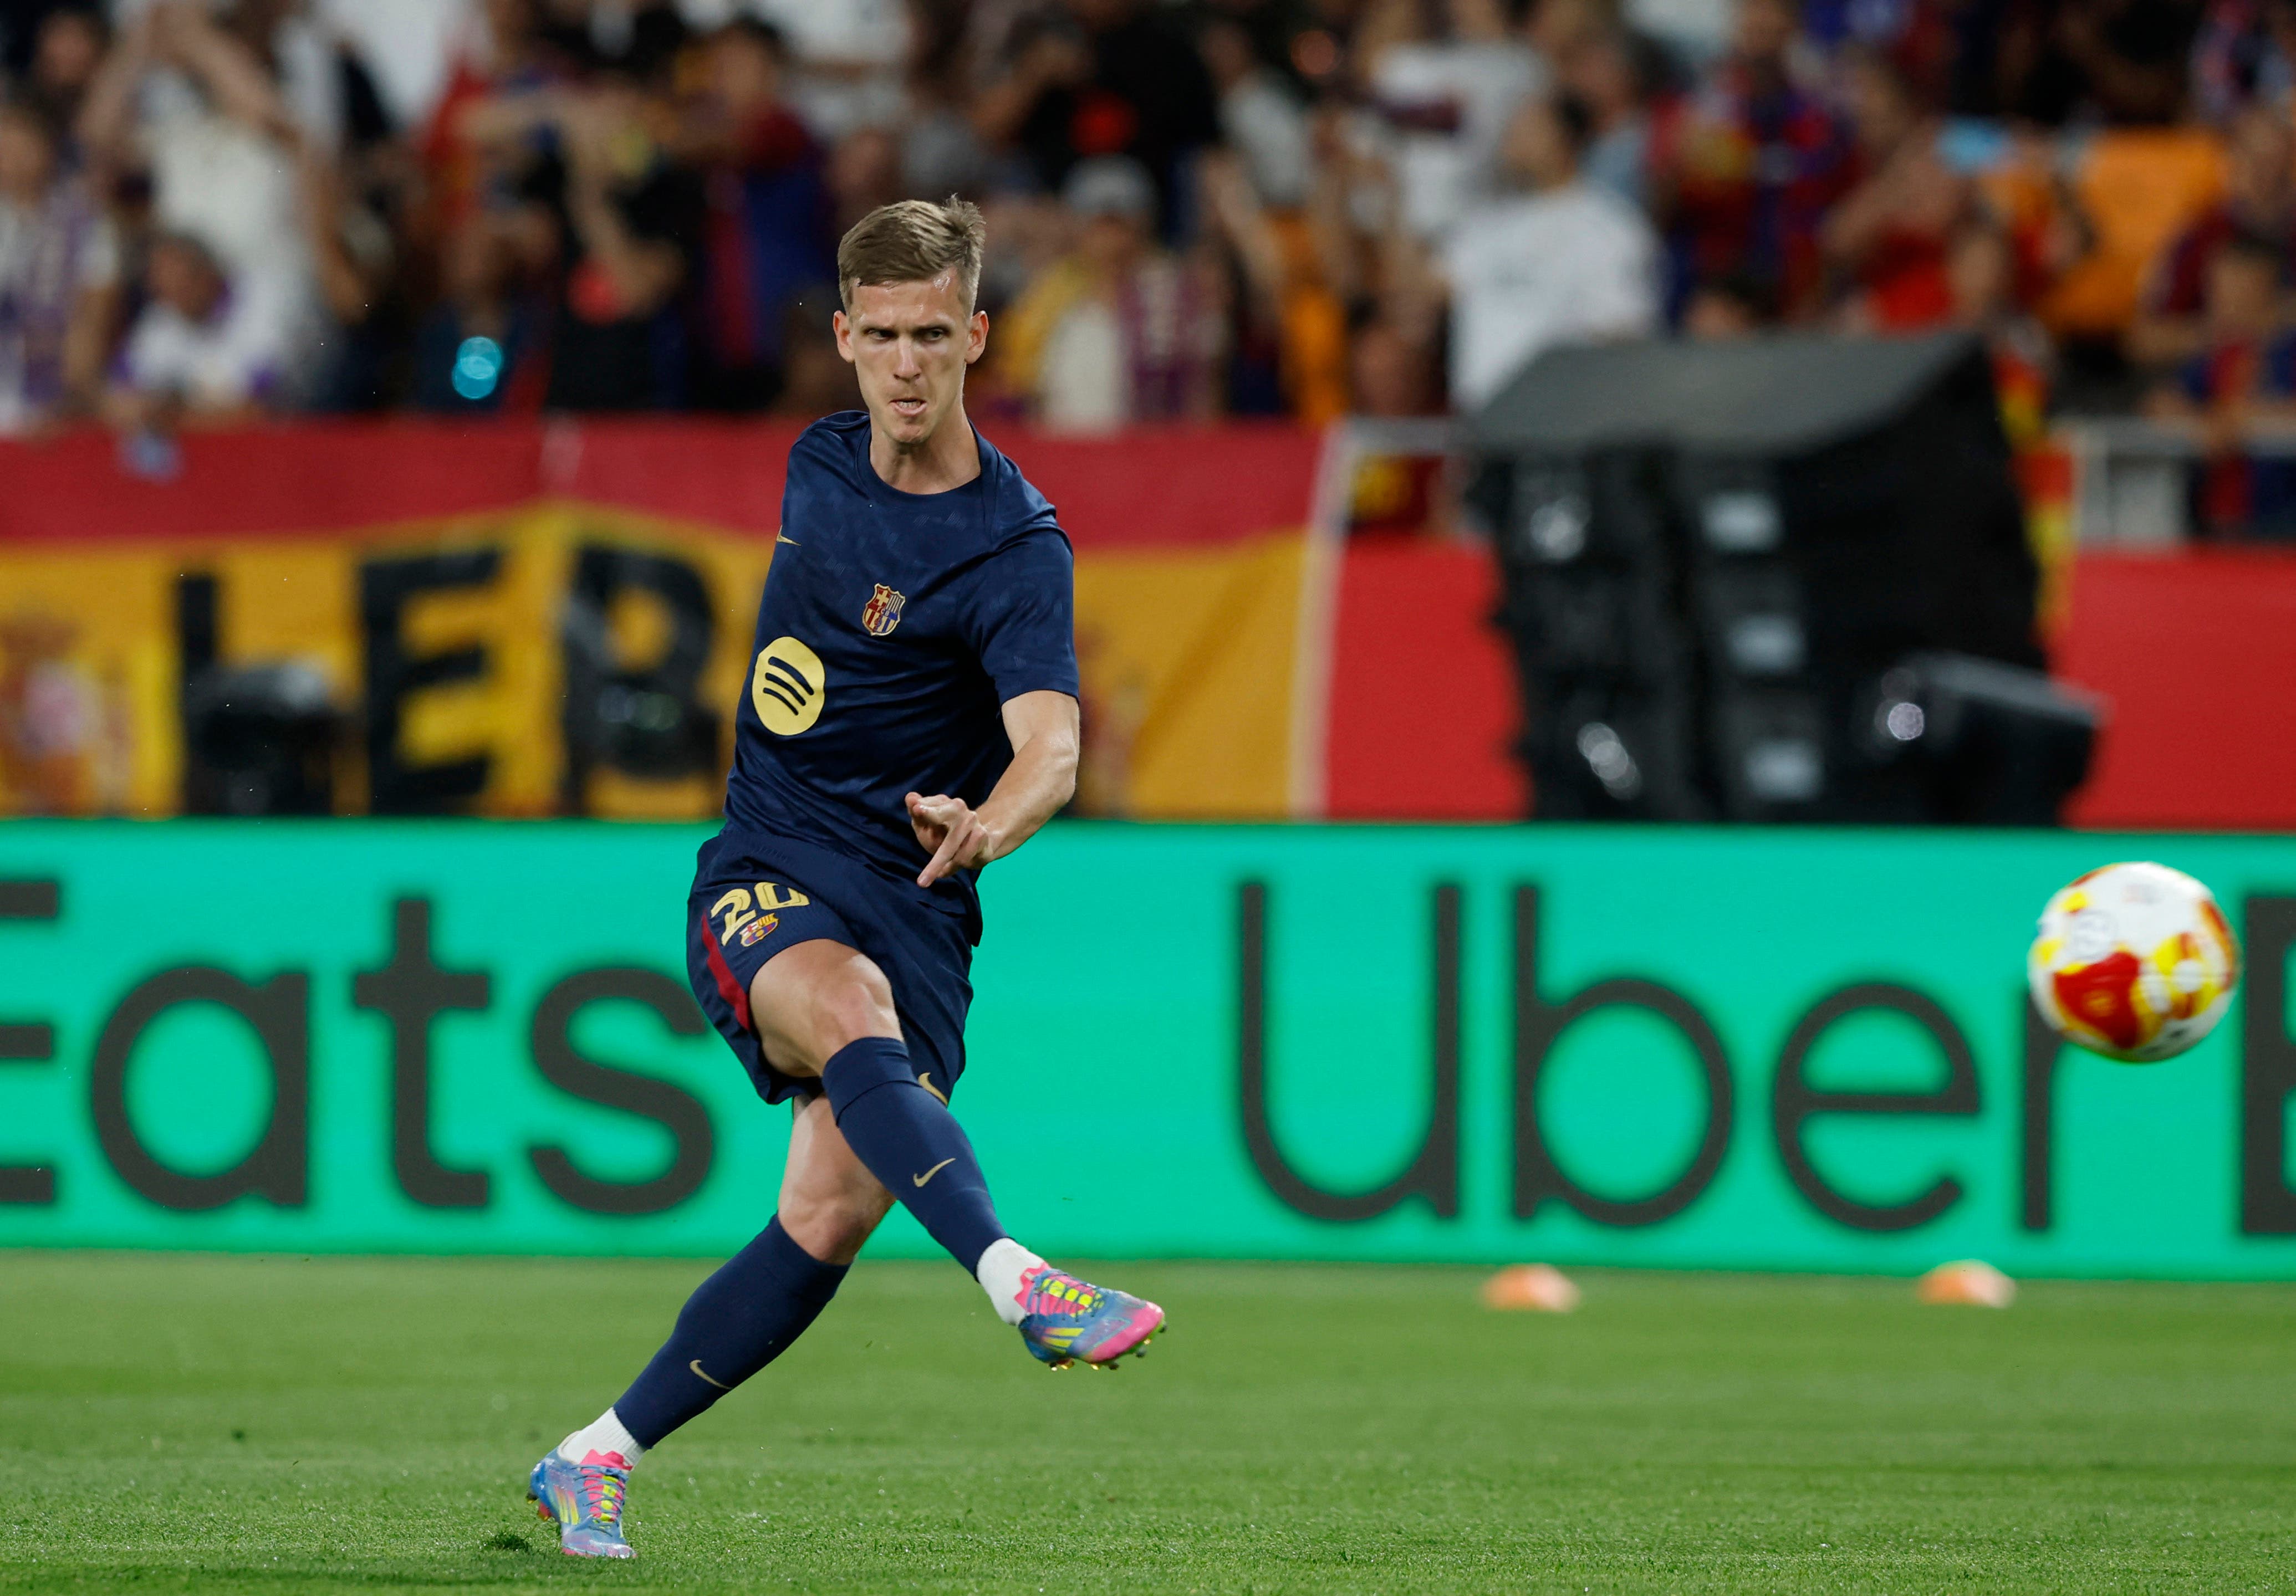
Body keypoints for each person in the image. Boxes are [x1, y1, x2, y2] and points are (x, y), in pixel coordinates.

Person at [527, 196, 1165, 1561]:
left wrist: (992, 821)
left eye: (932, 333)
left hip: (922, 891)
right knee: (845, 1005)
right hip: (766, 865)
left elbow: (1051, 745)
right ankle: (1021, 1281)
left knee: (822, 1215)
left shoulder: (1013, 546)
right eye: (879, 335)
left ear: (977, 335)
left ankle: (591, 1455)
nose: (905, 363)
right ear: (841, 338)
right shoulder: (816, 466)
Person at [1438, 93, 1660, 411]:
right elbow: (1427, 289)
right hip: (1481, 418)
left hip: (1562, 423)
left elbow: (1624, 331)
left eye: (1529, 129)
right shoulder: (1487, 223)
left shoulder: (1609, 227)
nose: (1513, 139)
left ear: (1566, 139)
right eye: (1513, 128)